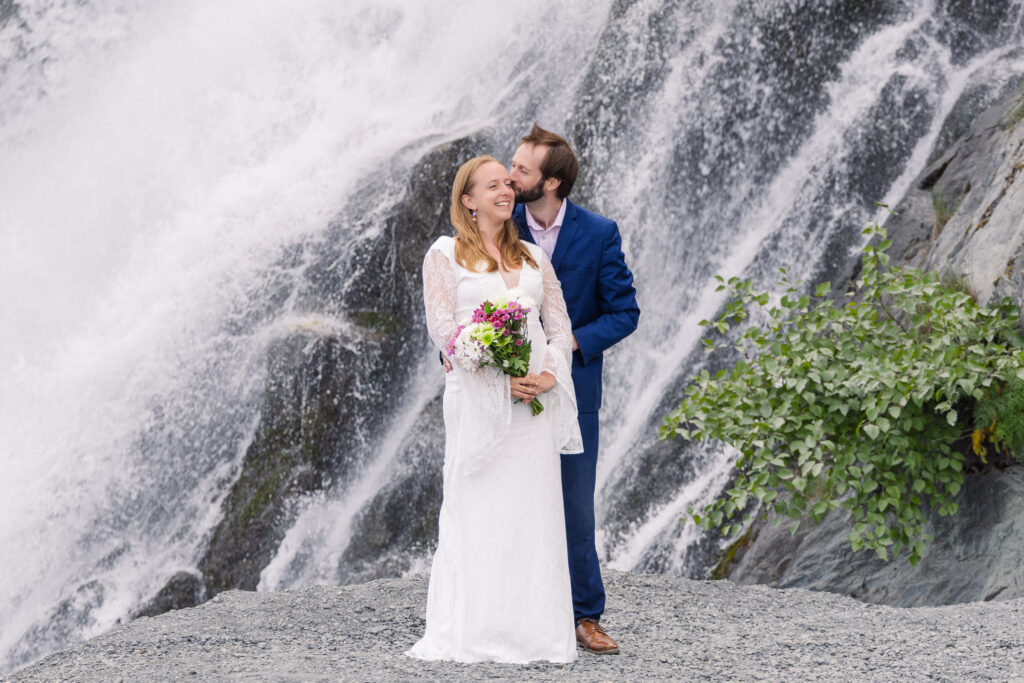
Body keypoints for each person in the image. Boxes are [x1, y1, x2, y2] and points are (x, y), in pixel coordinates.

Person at [407, 155, 584, 663]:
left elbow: (559, 324)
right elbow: (444, 328)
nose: (506, 190)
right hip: (478, 400)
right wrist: (493, 378)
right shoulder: (445, 254)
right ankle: (478, 631)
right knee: (479, 505)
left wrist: (548, 374)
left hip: (534, 403)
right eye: (493, 186)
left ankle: (537, 635)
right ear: (468, 200)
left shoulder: (532, 256)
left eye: (508, 183)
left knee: (531, 511)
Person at [509, 124, 640, 655]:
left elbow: (625, 313)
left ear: (553, 182)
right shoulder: (495, 222)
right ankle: (511, 611)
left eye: (521, 169)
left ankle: (585, 616)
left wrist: (564, 352)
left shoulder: (600, 232)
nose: (510, 176)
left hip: (573, 393)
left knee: (575, 508)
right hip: (508, 387)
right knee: (511, 500)